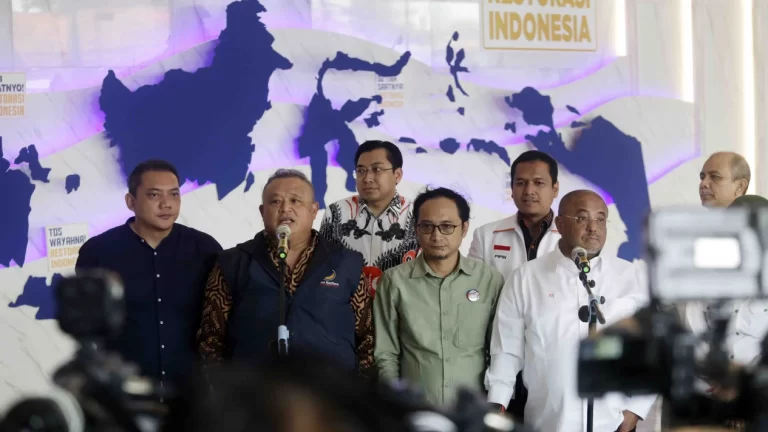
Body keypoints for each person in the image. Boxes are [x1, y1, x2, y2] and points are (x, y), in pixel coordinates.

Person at [486, 190, 656, 432]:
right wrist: (497, 405)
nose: (593, 228)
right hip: (547, 421)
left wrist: (634, 412)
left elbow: (649, 348)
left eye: (600, 219)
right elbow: (506, 351)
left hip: (614, 424)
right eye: (582, 218)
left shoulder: (630, 277)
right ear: (560, 224)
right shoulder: (526, 277)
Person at [197, 169, 374, 377]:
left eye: (295, 201)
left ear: (314, 210)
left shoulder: (347, 263)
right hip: (254, 395)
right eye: (275, 202)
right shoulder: (233, 262)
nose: (285, 209)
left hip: (330, 397)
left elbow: (367, 338)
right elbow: (211, 339)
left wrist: (360, 397)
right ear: (262, 212)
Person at [75, 160, 222, 390]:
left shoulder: (205, 249)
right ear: (130, 201)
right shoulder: (98, 252)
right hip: (122, 393)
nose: (167, 204)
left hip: (191, 392)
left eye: (174, 195)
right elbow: (87, 324)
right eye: (154, 195)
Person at [374, 187, 504, 407]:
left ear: (464, 228)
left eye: (447, 227)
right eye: (427, 226)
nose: (436, 236)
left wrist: (496, 401)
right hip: (415, 410)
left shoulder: (489, 280)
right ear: (416, 229)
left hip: (471, 411)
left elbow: (500, 350)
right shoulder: (394, 281)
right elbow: (386, 353)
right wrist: (395, 404)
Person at [468, 150, 561, 419]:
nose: (529, 190)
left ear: (555, 188)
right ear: (512, 188)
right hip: (499, 349)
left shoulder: (569, 237)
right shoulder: (487, 235)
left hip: (547, 353)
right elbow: (473, 291)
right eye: (520, 183)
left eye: (539, 182)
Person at [320, 140, 419, 297]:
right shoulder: (336, 212)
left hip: (401, 309)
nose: (367, 178)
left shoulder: (417, 215)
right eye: (361, 171)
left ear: (397, 175)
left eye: (377, 169)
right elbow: (323, 267)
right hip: (347, 309)